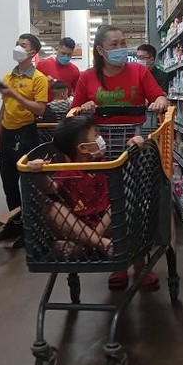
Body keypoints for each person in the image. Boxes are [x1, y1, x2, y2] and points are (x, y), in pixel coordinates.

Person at [71, 24, 168, 290]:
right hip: (99, 149)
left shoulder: (138, 71)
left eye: (123, 42)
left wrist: (160, 100)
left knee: (135, 204)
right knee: (108, 205)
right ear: (101, 50)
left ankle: (140, 264)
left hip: (134, 144)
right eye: (114, 44)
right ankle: (118, 265)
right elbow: (74, 112)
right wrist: (84, 107)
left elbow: (160, 97)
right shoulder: (87, 77)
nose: (121, 48)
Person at [24, 116, 122, 256]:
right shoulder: (68, 171)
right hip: (77, 228)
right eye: (96, 134)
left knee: (119, 201)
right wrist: (39, 172)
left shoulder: (104, 164)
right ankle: (101, 244)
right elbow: (50, 188)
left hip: (103, 226)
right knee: (53, 208)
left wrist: (134, 143)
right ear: (83, 148)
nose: (101, 138)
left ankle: (87, 246)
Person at [0, 33, 49, 247]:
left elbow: (40, 109)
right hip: (7, 134)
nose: (18, 47)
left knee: (28, 184)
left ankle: (30, 229)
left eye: (23, 45)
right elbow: (3, 108)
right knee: (9, 183)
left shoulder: (39, 79)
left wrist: (16, 96)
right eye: (17, 44)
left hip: (26, 134)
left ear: (33, 52)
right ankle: (14, 225)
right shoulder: (9, 77)